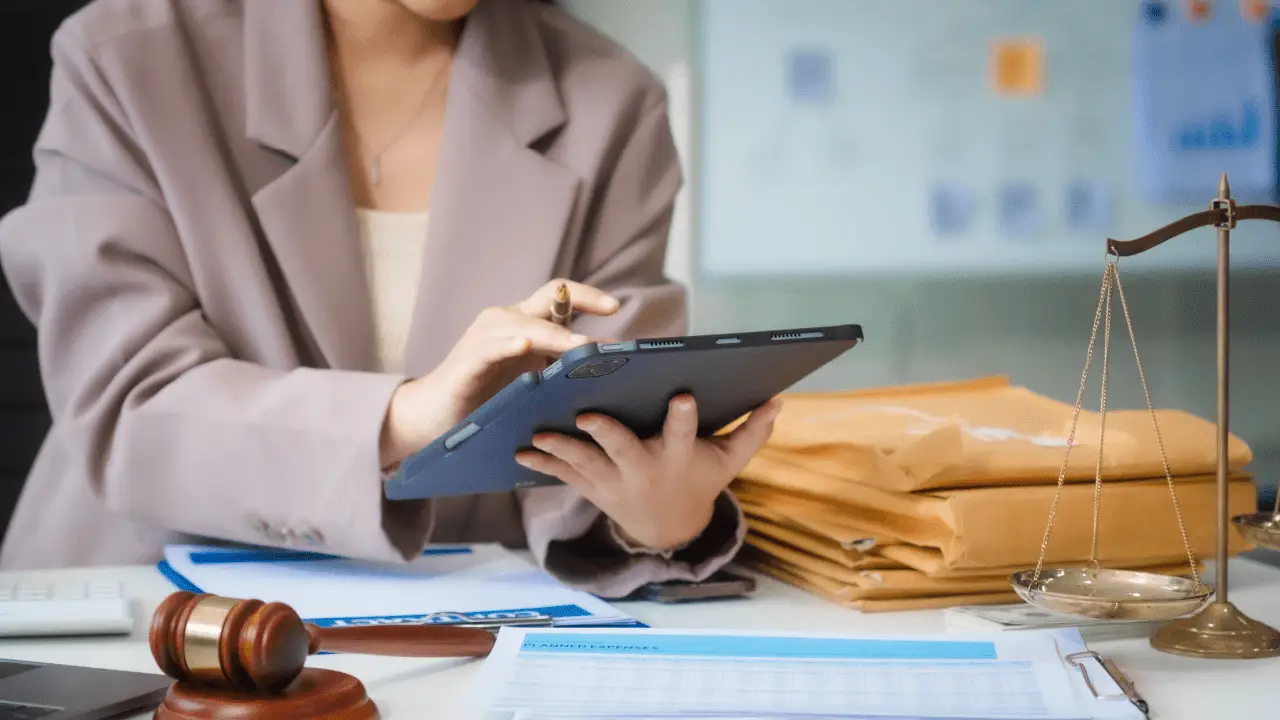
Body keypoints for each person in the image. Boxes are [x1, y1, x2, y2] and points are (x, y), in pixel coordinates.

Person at [0, 0, 782, 597]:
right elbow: (130, 403)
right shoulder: (125, 57)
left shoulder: (614, 102)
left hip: (460, 627)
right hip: (143, 615)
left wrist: (657, 518)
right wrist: (408, 415)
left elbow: (597, 431)